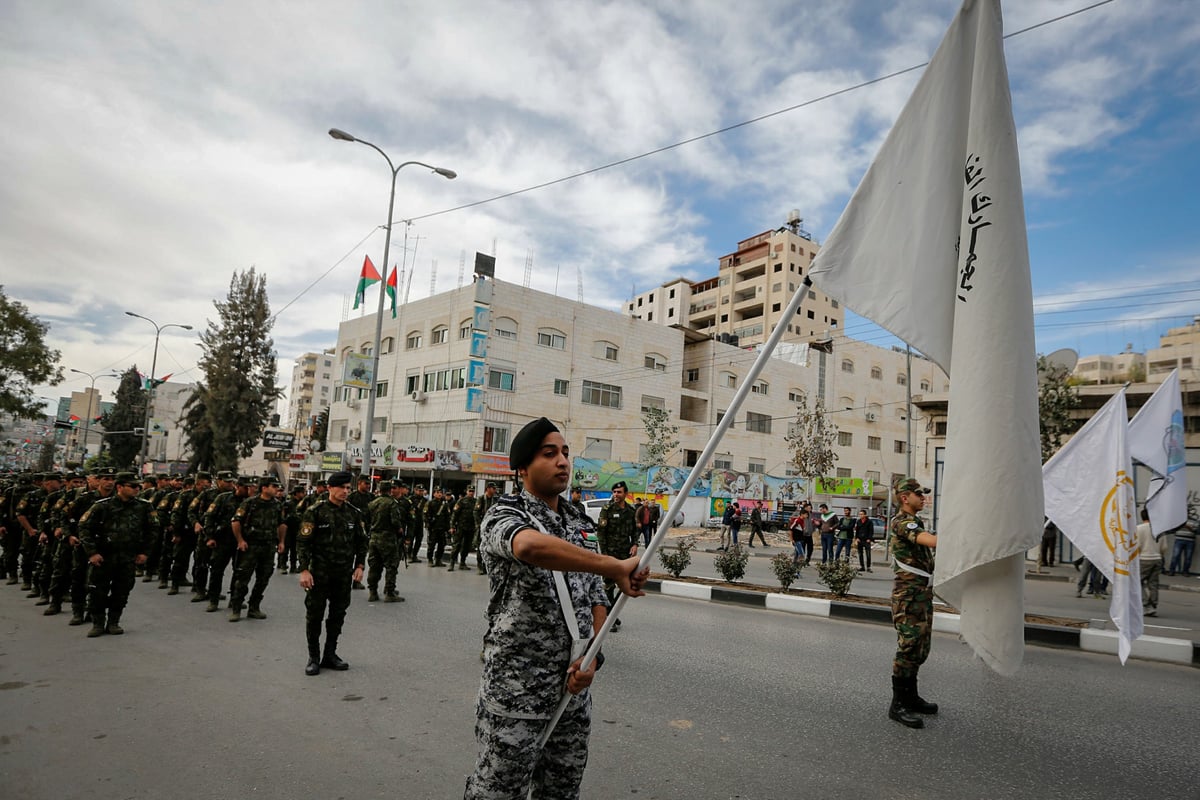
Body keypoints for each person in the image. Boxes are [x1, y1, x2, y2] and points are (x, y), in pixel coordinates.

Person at [464, 417, 649, 799]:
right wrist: (614, 566)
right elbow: (529, 548)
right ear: (523, 468)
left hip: (571, 690)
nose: (563, 461)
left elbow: (596, 594)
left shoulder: (579, 521)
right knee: (497, 792)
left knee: (561, 790)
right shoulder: (504, 515)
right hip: (518, 692)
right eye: (549, 454)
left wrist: (592, 657)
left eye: (565, 453)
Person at [297, 471, 367, 676]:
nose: (346, 492)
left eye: (348, 488)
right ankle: (313, 657)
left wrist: (360, 566)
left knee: (337, 615)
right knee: (315, 615)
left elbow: (361, 542)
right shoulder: (315, 511)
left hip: (343, 574)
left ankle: (330, 654)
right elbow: (303, 543)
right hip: (319, 573)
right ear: (330, 488)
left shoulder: (354, 513)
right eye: (342, 488)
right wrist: (304, 569)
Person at [78, 472, 158, 637]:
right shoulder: (102, 506)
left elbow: (153, 530)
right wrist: (92, 553)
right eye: (133, 486)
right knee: (97, 591)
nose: (137, 489)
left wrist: (145, 552)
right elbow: (84, 528)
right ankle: (98, 623)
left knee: (121, 591)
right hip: (104, 556)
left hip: (128, 557)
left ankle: (113, 622)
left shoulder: (144, 506)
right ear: (120, 487)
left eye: (138, 486)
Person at [887, 477, 939, 729]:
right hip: (908, 596)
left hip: (920, 594)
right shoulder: (902, 522)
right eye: (919, 494)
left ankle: (912, 697)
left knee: (920, 648)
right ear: (905, 497)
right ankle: (898, 705)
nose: (923, 497)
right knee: (908, 648)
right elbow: (927, 540)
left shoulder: (915, 521)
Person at [228, 475, 286, 622]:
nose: (276, 489)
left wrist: (281, 541)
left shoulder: (277, 505)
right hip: (251, 546)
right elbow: (236, 522)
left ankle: (254, 607)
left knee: (264, 578)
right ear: (264, 488)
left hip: (268, 546)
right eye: (273, 486)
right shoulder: (250, 503)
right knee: (243, 578)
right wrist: (240, 540)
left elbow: (282, 524)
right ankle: (236, 608)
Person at [596, 481, 637, 631]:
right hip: (610, 554)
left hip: (625, 553)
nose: (616, 495)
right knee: (608, 586)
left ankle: (612, 612)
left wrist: (635, 544)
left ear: (625, 494)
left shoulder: (631, 511)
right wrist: (604, 553)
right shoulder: (607, 509)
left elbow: (634, 531)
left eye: (619, 492)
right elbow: (601, 533)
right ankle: (609, 619)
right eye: (614, 492)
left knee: (625, 585)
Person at [366, 481, 405, 600]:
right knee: (391, 566)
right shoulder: (392, 503)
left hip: (374, 538)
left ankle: (372, 592)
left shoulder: (372, 503)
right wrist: (399, 529)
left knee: (374, 566)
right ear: (389, 490)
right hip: (387, 538)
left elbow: (368, 519)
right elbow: (395, 521)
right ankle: (389, 592)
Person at [1136, 508, 1167, 617]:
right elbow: (1164, 547)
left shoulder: (1139, 529)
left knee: (1136, 582)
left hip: (1143, 559)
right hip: (1157, 558)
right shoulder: (1160, 530)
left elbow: (1137, 546)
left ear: (1142, 517)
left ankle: (1146, 605)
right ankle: (1153, 604)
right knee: (1153, 583)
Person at [449, 485, 477, 571]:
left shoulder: (475, 502)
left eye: (472, 491)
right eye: (470, 491)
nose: (471, 493)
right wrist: (452, 526)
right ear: (466, 491)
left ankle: (462, 562)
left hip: (470, 528)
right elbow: (455, 514)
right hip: (461, 527)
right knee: (457, 545)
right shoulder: (461, 501)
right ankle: (452, 563)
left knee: (467, 546)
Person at [473, 482, 499, 574]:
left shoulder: (495, 499)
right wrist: (478, 525)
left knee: (489, 547)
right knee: (481, 545)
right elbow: (476, 512)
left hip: (491, 526)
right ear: (488, 489)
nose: (495, 490)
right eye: (493, 488)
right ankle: (479, 566)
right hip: (482, 526)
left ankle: (486, 566)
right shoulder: (481, 499)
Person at [425, 486, 453, 567]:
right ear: (434, 494)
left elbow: (448, 517)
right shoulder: (430, 503)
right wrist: (428, 524)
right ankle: (430, 559)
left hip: (442, 528)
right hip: (433, 528)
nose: (439, 494)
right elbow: (426, 514)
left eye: (440, 492)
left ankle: (438, 559)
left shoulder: (444, 504)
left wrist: (449, 527)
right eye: (437, 492)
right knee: (431, 545)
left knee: (442, 545)